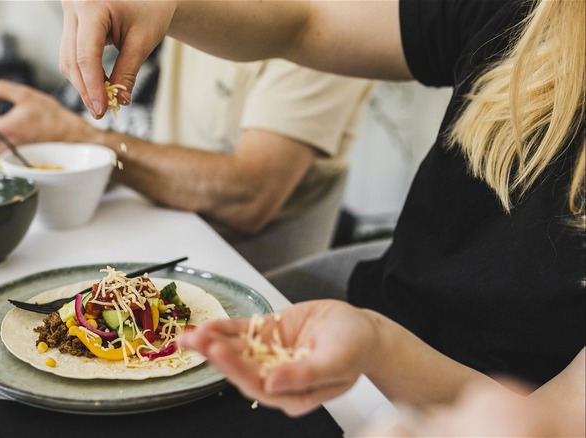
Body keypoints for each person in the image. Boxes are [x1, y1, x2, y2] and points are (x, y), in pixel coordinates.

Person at [56, 0, 585, 434]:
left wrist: (377, 346)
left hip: (442, 403)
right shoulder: (533, 13)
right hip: (356, 354)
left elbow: (554, 417)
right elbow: (306, 21)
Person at [0, 41, 373, 274]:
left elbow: (248, 195)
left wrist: (79, 136)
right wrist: (69, 152)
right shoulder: (198, 15)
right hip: (153, 243)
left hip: (251, 285)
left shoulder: (326, 28)